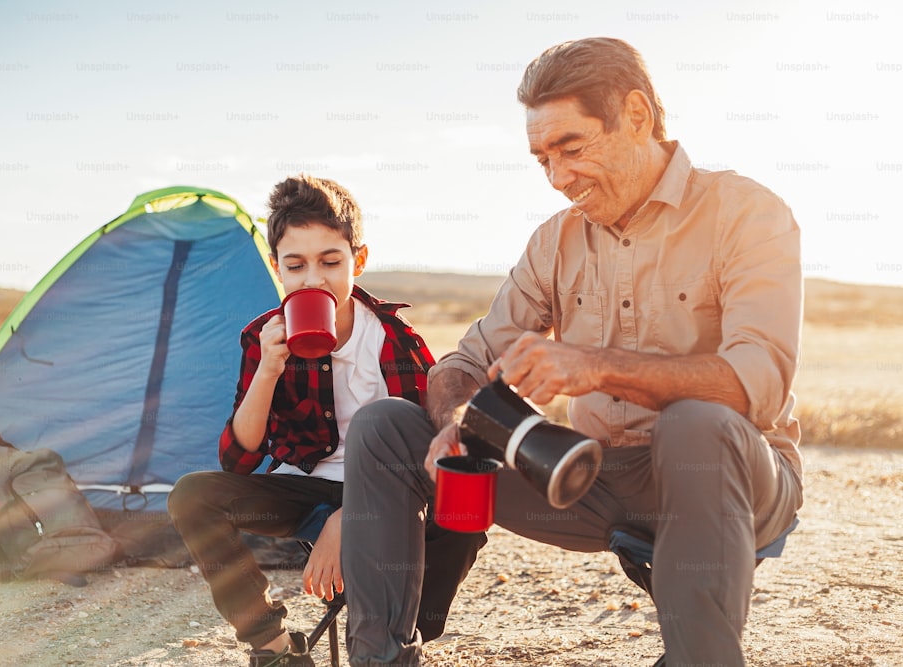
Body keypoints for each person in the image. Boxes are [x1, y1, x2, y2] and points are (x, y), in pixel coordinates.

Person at [341, 37, 803, 667]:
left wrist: (594, 365)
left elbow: (760, 382)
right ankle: (383, 659)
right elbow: (463, 362)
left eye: (572, 149)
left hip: (734, 481)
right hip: (591, 474)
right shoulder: (554, 242)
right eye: (543, 161)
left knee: (697, 422)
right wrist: (456, 421)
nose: (559, 180)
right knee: (384, 426)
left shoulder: (746, 212)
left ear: (636, 117)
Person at [167, 175, 485, 667]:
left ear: (358, 260)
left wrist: (349, 520)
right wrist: (268, 370)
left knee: (466, 511)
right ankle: (274, 648)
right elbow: (238, 459)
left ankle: (393, 637)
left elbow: (428, 458)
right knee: (193, 495)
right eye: (295, 265)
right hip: (306, 490)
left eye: (330, 262)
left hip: (388, 494)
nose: (312, 279)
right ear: (278, 269)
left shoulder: (393, 340)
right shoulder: (262, 338)